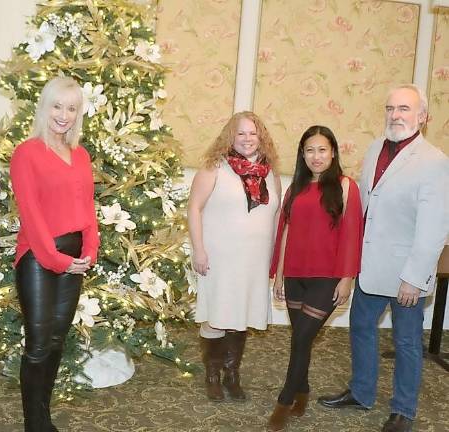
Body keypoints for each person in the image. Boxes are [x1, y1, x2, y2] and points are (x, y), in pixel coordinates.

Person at [318, 85, 449, 432]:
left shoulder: (436, 162)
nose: (395, 115)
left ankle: (403, 410)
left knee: (406, 342)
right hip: (371, 266)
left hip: (406, 274)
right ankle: (361, 393)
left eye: (404, 109)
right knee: (360, 327)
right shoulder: (377, 147)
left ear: (422, 116)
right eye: (390, 108)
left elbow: (434, 228)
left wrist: (415, 276)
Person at [9, 76, 100, 432]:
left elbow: (88, 209)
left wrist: (90, 250)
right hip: (38, 258)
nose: (64, 115)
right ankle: (34, 422)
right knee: (38, 343)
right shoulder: (26, 152)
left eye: (72, 108)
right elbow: (31, 217)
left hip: (75, 258)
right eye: (58, 106)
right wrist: (58, 260)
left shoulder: (81, 155)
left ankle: (43, 416)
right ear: (45, 107)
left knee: (58, 340)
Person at [266, 125, 363, 431]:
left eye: (322, 150)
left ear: (333, 152)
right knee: (301, 339)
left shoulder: (347, 187)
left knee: (301, 337)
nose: (316, 156)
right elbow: (286, 232)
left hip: (327, 278)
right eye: (310, 150)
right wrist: (279, 275)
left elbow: (351, 235)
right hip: (295, 274)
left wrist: (347, 277)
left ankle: (284, 400)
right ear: (302, 154)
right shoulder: (295, 188)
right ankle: (304, 391)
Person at [188, 111, 281, 402]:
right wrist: (199, 250)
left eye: (253, 133)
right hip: (219, 258)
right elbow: (194, 209)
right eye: (240, 133)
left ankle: (232, 374)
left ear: (261, 137)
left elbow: (277, 217)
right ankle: (213, 375)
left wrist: (276, 261)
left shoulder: (271, 174)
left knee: (241, 315)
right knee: (217, 315)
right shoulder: (213, 167)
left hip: (254, 260)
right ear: (230, 136)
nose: (247, 139)